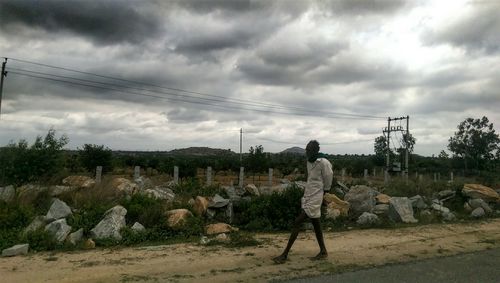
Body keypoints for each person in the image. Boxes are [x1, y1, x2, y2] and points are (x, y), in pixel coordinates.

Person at [273, 140, 333, 264]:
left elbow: (329, 177)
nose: (306, 152)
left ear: (315, 151)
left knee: (297, 221)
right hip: (309, 194)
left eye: (308, 150)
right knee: (316, 223)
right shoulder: (309, 162)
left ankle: (285, 254)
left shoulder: (323, 162)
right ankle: (323, 251)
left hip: (317, 195)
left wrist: (326, 192)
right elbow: (310, 179)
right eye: (306, 150)